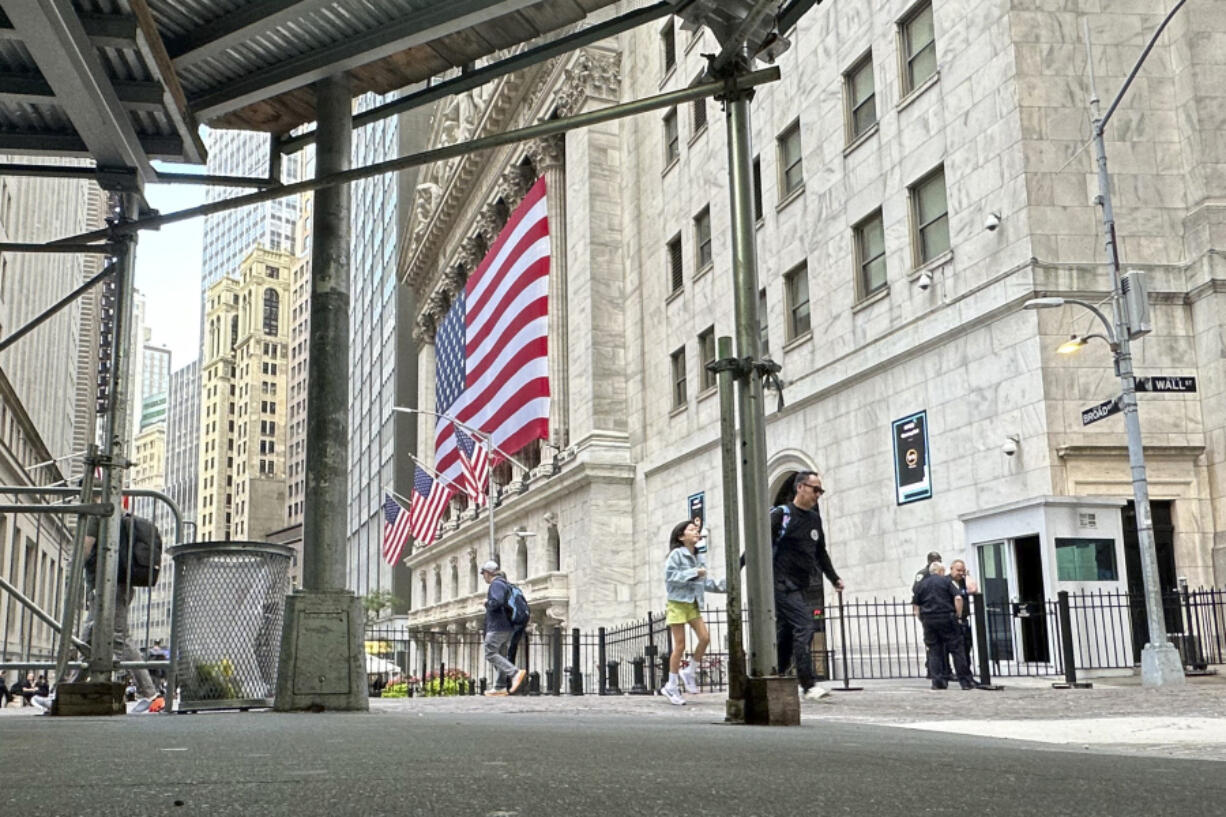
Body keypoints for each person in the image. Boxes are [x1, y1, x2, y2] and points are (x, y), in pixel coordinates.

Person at [75, 513, 163, 713]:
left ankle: (151, 694)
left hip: (107, 585)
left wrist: (73, 573)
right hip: (117, 585)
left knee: (118, 637)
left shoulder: (95, 515)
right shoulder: (112, 516)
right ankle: (65, 688)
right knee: (89, 638)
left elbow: (86, 548)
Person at [772, 471, 844, 702]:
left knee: (784, 634)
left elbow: (820, 551)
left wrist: (834, 578)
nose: (818, 495)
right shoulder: (781, 515)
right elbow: (757, 545)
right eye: (816, 489)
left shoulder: (814, 519)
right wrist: (737, 569)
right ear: (801, 487)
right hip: (780, 583)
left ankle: (776, 676)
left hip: (800, 584)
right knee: (805, 626)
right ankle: (808, 684)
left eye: (821, 491)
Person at [660, 518, 725, 705]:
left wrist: (727, 586)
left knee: (705, 638)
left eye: (697, 530)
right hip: (677, 603)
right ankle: (671, 685)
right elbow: (671, 578)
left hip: (693, 603)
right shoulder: (676, 555)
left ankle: (689, 670)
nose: (696, 532)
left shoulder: (699, 557)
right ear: (681, 536)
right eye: (691, 529)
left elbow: (705, 583)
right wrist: (694, 572)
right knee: (679, 645)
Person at [911, 561, 975, 690]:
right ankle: (965, 681)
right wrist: (958, 615)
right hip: (947, 617)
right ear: (940, 571)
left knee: (934, 650)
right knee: (957, 649)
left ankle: (938, 682)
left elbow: (916, 606)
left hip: (929, 620)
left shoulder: (921, 585)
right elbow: (958, 598)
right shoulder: (946, 582)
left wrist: (921, 618)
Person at [479, 560, 527, 697]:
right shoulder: (505, 584)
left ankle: (515, 672)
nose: (484, 577)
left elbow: (497, 602)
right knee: (501, 654)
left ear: (488, 573)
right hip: (507, 626)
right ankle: (500, 687)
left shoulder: (496, 584)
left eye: (484, 574)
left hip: (497, 626)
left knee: (490, 652)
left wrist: (487, 603)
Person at [949, 559, 978, 669]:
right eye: (958, 570)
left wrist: (967, 575)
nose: (960, 573)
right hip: (951, 619)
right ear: (951, 569)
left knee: (965, 647)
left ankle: (966, 671)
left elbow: (973, 589)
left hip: (963, 620)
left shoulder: (963, 581)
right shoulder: (947, 581)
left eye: (963, 570)